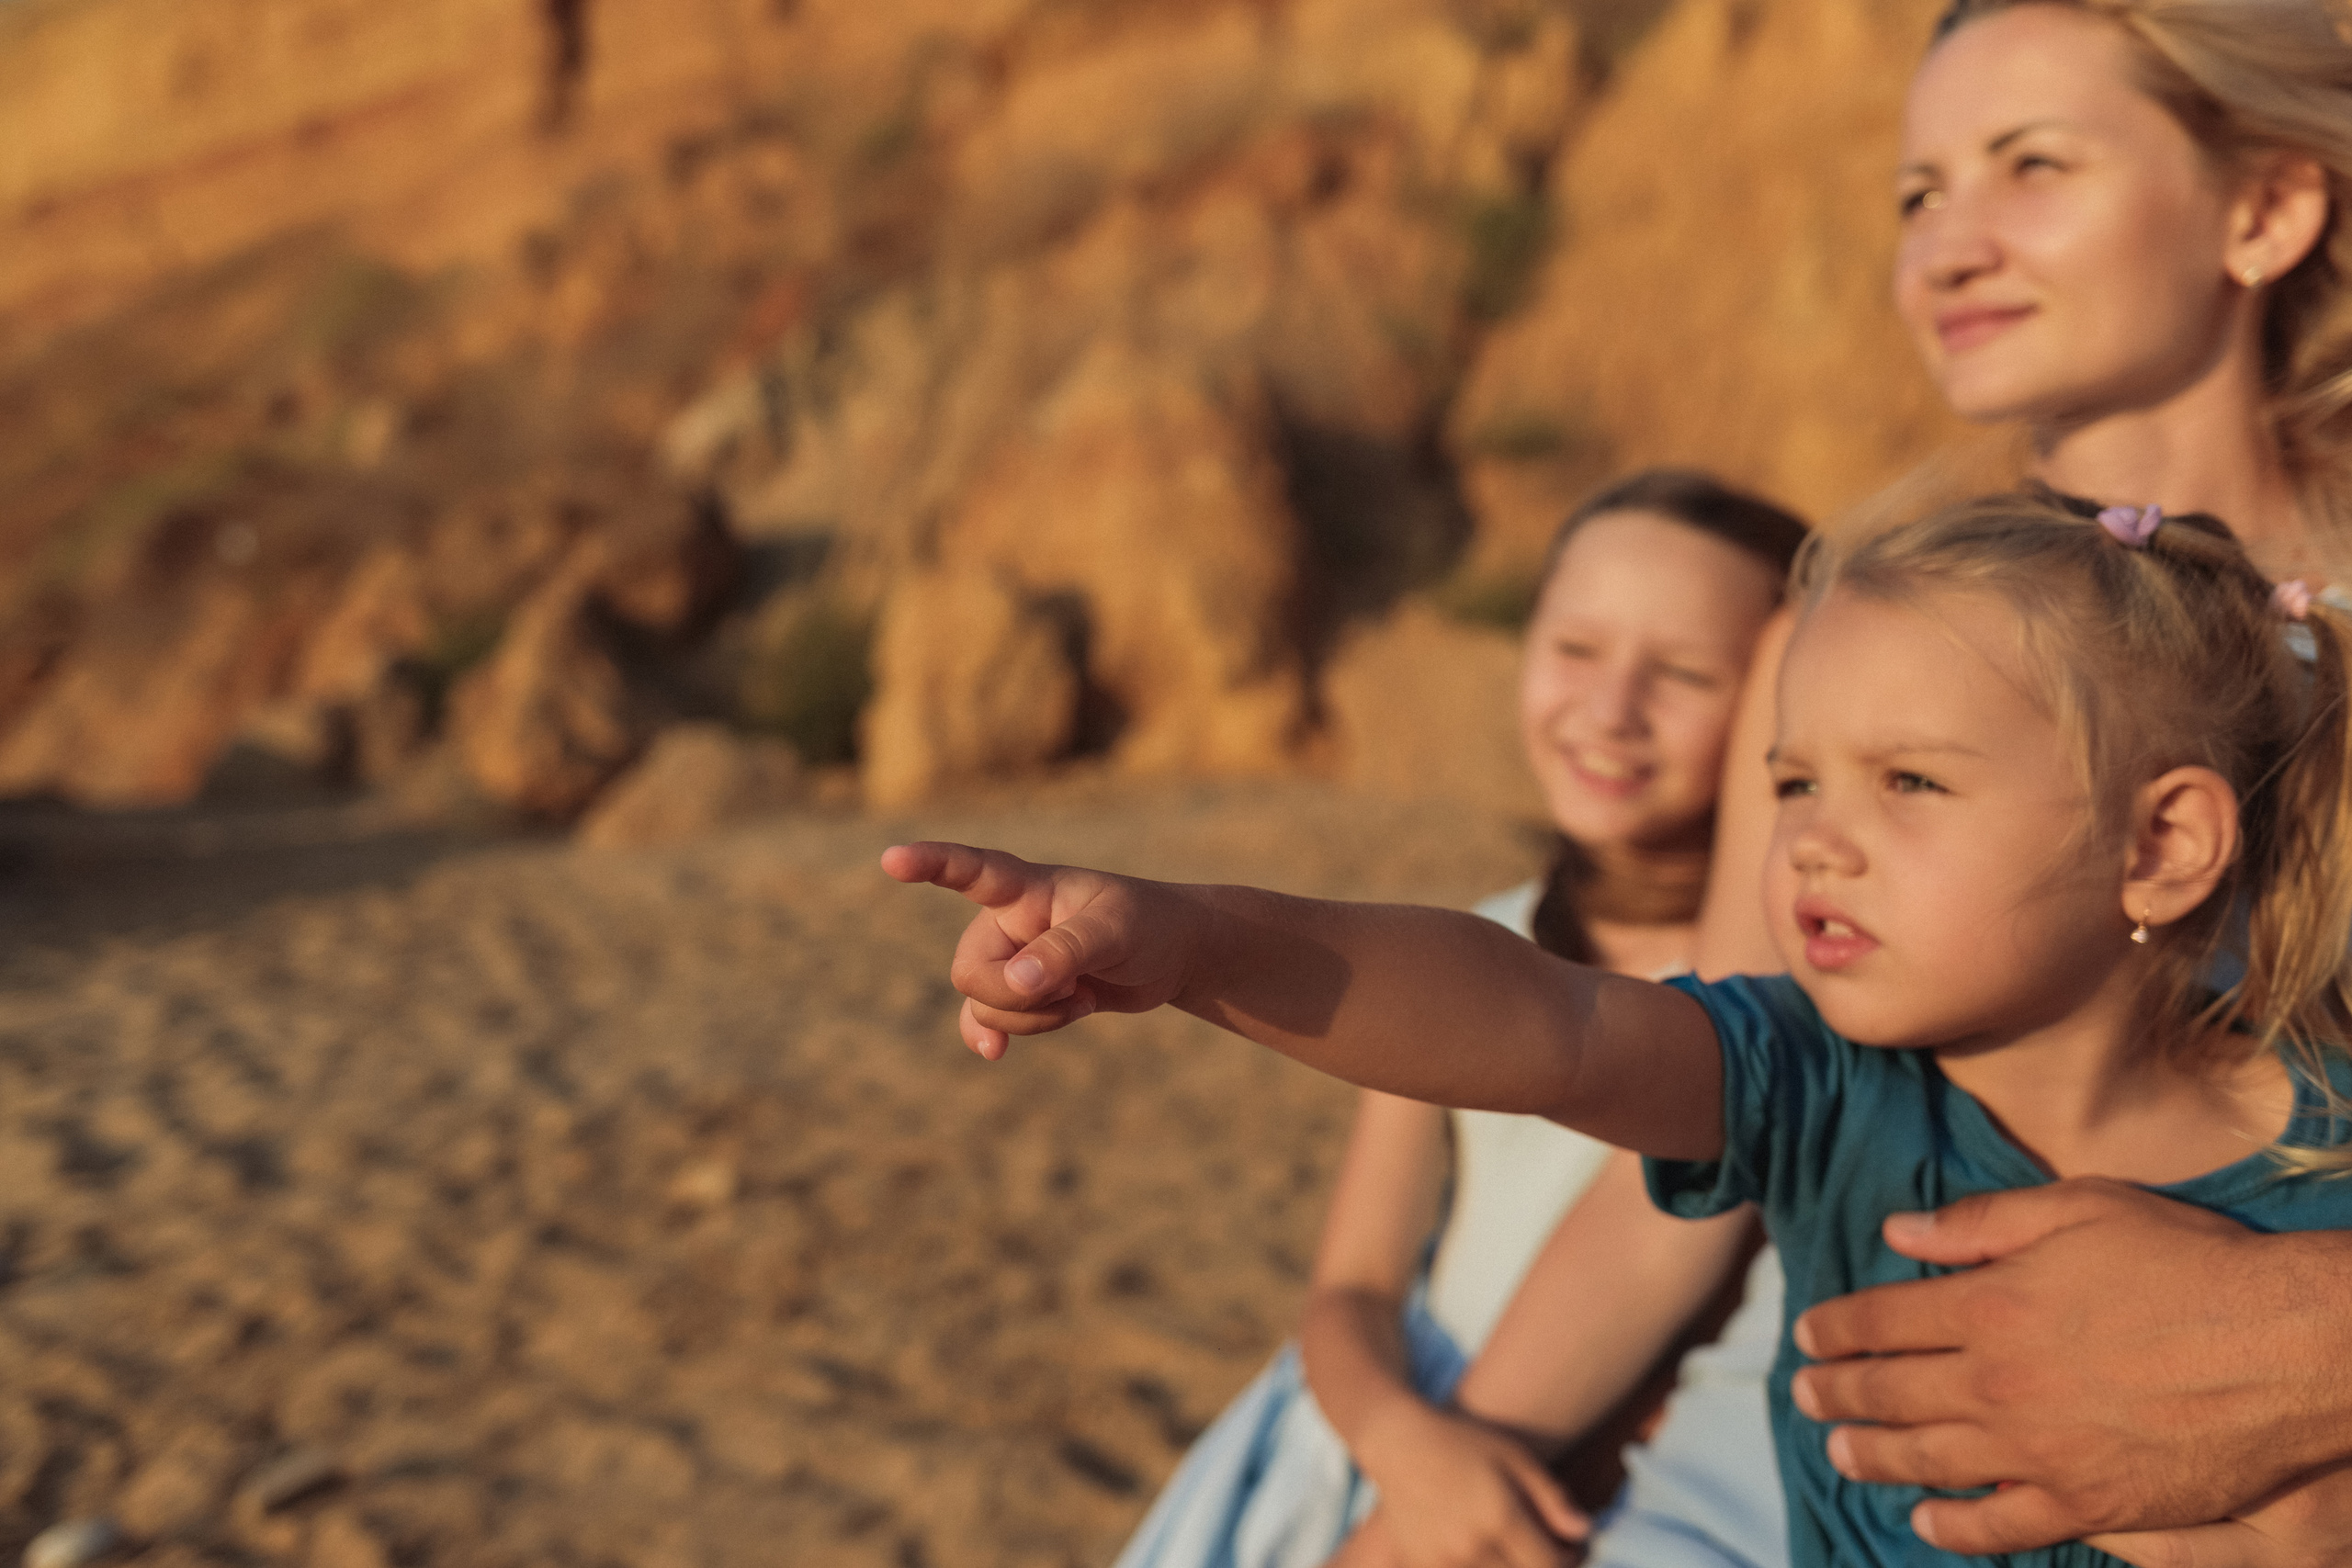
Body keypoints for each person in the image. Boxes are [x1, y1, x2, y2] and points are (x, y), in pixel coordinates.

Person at [883, 490, 2352, 1568]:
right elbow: (1546, 1017)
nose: (1817, 845)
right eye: (1791, 785)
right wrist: (1192, 940)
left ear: (2164, 844)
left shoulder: (2327, 1148)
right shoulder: (1823, 1080)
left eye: (1908, 782)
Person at [1381, 2, 2352, 1562]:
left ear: (2268, 207)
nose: (1951, 245)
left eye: (2031, 165)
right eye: (1918, 194)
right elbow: (1721, 1088)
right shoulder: (1868, 632)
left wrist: (2301, 1340)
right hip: (1870, 1406)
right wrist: (1450, 1479)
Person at [1106, 469, 1808, 1568]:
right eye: (1574, 648)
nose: (1610, 709)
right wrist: (1403, 1443)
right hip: (1370, 1450)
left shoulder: (1779, 998)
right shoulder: (1467, 956)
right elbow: (1353, 1284)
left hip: (1589, 1492)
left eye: (1682, 673)